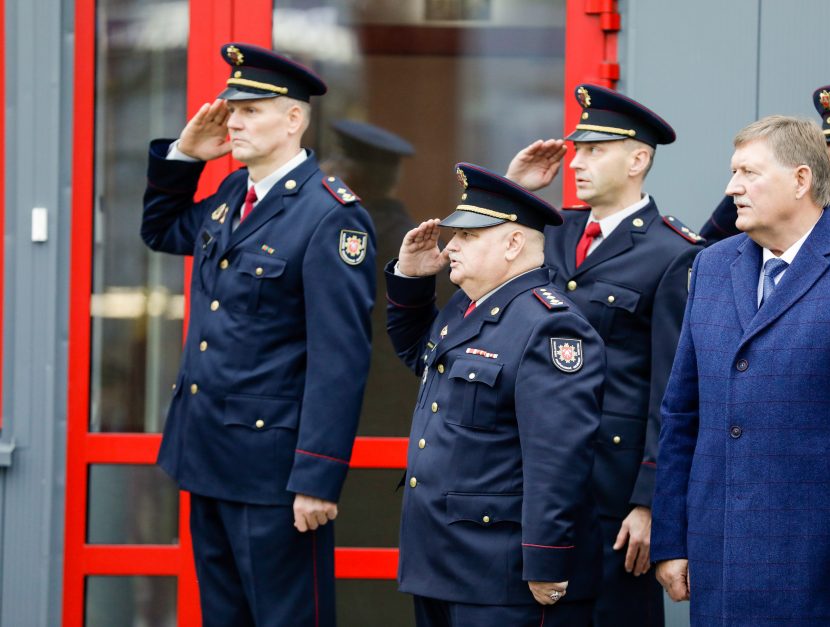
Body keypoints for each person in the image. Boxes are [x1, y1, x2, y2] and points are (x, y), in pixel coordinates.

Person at [651, 115, 830, 625]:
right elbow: (682, 413)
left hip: (823, 570)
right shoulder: (712, 267)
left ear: (801, 180)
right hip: (721, 564)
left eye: (749, 173)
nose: (732, 187)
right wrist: (672, 537)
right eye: (733, 172)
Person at [140, 42, 375, 627]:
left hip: (275, 473)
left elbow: (338, 360)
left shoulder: (330, 215)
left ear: (294, 119)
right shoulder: (229, 198)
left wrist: (318, 476)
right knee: (225, 616)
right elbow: (162, 230)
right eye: (230, 108)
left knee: (286, 618)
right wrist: (184, 156)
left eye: (250, 111)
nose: (232, 121)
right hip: (207, 454)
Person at [505, 83, 702, 626]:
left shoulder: (675, 253)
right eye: (578, 148)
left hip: (612, 493)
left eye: (595, 150)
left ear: (638, 159)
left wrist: (650, 501)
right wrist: (513, 190)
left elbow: (675, 390)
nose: (577, 162)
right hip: (535, 478)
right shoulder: (553, 231)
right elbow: (476, 285)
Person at [387, 162, 605, 626]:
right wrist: (411, 280)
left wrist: (546, 559)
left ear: (511, 243)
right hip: (438, 559)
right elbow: (421, 357)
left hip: (499, 572)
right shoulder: (467, 309)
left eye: (468, 236)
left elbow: (558, 457)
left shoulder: (549, 325)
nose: (450, 247)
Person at [321, 120, 420, 436]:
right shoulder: (413, 239)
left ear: (351, 174)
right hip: (401, 411)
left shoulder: (339, 237)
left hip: (353, 411)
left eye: (334, 160)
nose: (324, 168)